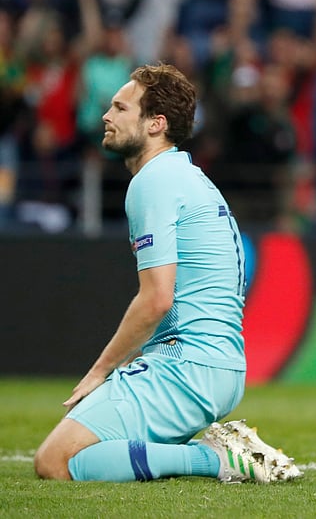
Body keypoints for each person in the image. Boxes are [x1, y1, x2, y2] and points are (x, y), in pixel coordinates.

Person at [32, 64, 301, 484]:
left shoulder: (154, 181)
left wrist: (101, 370)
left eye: (121, 107)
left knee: (55, 462)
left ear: (156, 124)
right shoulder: (188, 176)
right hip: (215, 365)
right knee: (89, 452)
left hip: (186, 368)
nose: (106, 115)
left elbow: (158, 298)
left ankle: (216, 459)